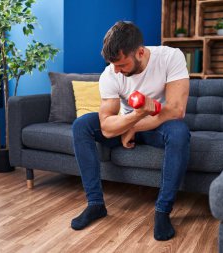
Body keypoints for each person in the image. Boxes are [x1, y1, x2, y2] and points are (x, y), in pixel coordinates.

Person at [71, 21, 190, 241]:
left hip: (159, 124)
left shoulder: (171, 57)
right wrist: (134, 118)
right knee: (81, 125)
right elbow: (107, 126)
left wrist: (134, 127)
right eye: (112, 64)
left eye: (122, 64)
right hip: (126, 122)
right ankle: (95, 204)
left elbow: (176, 110)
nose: (116, 70)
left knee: (180, 132)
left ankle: (163, 211)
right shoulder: (110, 73)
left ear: (141, 52)